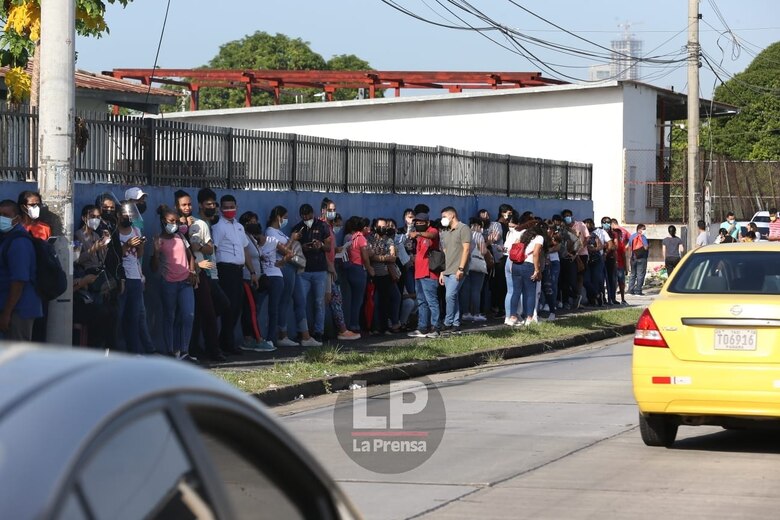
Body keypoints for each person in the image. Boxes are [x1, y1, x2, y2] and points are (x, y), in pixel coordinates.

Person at [266, 206, 321, 347]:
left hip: (292, 268)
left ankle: (305, 336)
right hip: (283, 268)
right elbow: (285, 250)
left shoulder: (279, 232)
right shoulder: (270, 233)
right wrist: (292, 238)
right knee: (284, 301)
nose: (286, 220)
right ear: (278, 217)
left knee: (300, 300)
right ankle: (282, 335)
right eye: (284, 217)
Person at [151, 205, 197, 361]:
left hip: (185, 282)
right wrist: (156, 253)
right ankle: (170, 351)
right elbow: (154, 268)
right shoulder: (158, 239)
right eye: (172, 221)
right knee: (169, 317)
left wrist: (192, 271)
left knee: (188, 315)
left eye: (177, 221)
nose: (175, 224)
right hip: (168, 283)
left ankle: (184, 351)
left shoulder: (181, 238)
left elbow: (191, 256)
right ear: (164, 221)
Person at [188, 188, 229, 362]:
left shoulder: (208, 223)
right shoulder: (197, 224)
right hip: (202, 272)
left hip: (211, 272)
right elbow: (196, 247)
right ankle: (211, 349)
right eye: (208, 204)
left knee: (204, 313)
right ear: (200, 205)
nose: (212, 207)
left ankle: (197, 347)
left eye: (214, 204)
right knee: (212, 310)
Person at [212, 194, 252, 355]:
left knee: (237, 307)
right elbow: (213, 249)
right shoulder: (218, 227)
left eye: (232, 206)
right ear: (221, 208)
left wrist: (253, 271)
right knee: (228, 307)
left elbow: (244, 249)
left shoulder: (239, 226)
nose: (229, 210)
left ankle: (227, 340)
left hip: (238, 271)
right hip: (225, 269)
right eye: (226, 207)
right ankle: (225, 342)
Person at [0, 200, 43, 341]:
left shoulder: (19, 242)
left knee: (16, 356)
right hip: (12, 307)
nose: (1, 218)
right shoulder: (8, 238)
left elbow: (19, 280)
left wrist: (7, 312)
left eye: (5, 215)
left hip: (18, 310)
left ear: (17, 219)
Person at [320, 198, 359, 341]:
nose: (333, 212)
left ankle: (338, 329)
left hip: (331, 266)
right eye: (330, 210)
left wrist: (337, 250)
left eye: (334, 209)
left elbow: (330, 249)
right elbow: (323, 250)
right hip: (326, 268)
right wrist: (330, 267)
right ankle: (337, 330)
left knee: (334, 298)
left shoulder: (329, 227)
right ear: (323, 210)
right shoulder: (322, 226)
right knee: (331, 298)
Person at [292, 204, 331, 343]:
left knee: (319, 303)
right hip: (303, 271)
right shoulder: (298, 228)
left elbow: (328, 247)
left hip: (320, 270)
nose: (306, 218)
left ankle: (319, 331)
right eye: (303, 216)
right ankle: (302, 331)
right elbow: (292, 246)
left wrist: (320, 245)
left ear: (312, 213)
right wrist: (303, 247)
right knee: (301, 302)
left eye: (308, 215)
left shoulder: (322, 226)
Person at [241, 220, 278, 352]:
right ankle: (257, 339)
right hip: (247, 278)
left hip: (256, 278)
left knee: (250, 309)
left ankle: (249, 338)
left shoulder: (252, 238)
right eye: (250, 220)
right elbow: (246, 256)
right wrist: (252, 273)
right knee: (251, 310)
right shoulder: (243, 236)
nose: (254, 223)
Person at [115, 201, 145, 354]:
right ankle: (115, 351)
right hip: (122, 277)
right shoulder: (114, 232)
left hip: (135, 277)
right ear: (119, 215)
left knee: (133, 319)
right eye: (125, 214)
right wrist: (126, 245)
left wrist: (140, 245)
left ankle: (134, 352)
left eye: (130, 214)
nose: (127, 217)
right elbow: (114, 256)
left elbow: (139, 255)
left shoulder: (136, 230)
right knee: (118, 317)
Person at [407, 212, 441, 338]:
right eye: (417, 222)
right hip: (419, 273)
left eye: (421, 222)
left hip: (429, 273)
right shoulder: (418, 235)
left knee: (432, 301)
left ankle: (435, 327)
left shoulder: (432, 231)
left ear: (427, 223)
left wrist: (418, 233)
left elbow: (432, 235)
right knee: (421, 301)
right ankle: (422, 327)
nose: (419, 224)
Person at [438, 207, 471, 334]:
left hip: (458, 270)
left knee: (450, 295)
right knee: (453, 296)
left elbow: (466, 250)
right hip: (447, 270)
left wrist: (461, 268)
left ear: (452, 216)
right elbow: (445, 252)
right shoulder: (446, 232)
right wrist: (442, 271)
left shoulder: (463, 228)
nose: (443, 220)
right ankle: (455, 323)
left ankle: (448, 322)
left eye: (444, 216)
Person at [367, 217, 401, 334]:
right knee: (375, 301)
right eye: (380, 226)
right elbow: (369, 256)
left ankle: (385, 327)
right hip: (373, 275)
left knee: (385, 301)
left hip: (386, 275)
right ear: (375, 227)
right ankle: (375, 327)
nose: (382, 228)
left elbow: (393, 257)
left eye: (384, 226)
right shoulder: (370, 239)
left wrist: (379, 257)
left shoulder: (388, 240)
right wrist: (383, 257)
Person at [511, 222, 545, 326]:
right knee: (530, 292)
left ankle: (512, 316)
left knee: (516, 291)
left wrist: (513, 264)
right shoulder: (539, 238)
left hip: (517, 264)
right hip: (529, 265)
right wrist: (536, 270)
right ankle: (529, 318)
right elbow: (535, 254)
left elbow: (515, 248)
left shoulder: (523, 234)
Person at [342, 216, 372, 335]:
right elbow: (365, 255)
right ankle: (354, 324)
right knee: (357, 300)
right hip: (359, 269)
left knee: (352, 299)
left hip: (350, 268)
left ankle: (352, 323)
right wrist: (370, 268)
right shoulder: (360, 238)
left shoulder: (348, 237)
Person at [459, 217, 488, 322]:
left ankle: (465, 312)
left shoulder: (464, 234)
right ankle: (476, 313)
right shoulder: (478, 235)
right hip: (477, 265)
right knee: (476, 290)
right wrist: (488, 243)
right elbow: (483, 251)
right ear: (479, 226)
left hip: (465, 264)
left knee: (465, 290)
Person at [627, 224, 649, 296]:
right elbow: (645, 247)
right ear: (639, 229)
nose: (645, 231)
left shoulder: (632, 236)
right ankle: (638, 291)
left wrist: (630, 256)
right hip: (642, 258)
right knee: (640, 274)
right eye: (644, 229)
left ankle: (630, 290)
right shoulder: (643, 237)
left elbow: (629, 247)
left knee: (633, 274)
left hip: (633, 257)